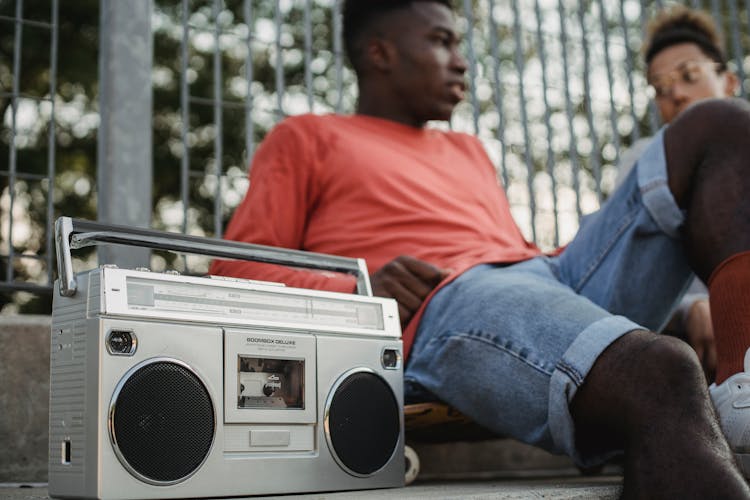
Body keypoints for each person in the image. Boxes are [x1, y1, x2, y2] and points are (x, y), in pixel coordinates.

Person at [209, 1, 750, 496]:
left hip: (535, 277)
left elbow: (513, 257)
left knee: (719, 124)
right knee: (660, 373)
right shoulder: (307, 137)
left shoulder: (468, 150)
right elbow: (235, 271)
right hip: (440, 303)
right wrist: (360, 290)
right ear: (381, 53)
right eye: (443, 42)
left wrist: (679, 303)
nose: (462, 62)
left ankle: (743, 385)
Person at [614, 6, 740, 383]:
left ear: (729, 81)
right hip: (691, 345)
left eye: (690, 75)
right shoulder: (643, 161)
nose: (678, 94)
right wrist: (689, 307)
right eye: (661, 87)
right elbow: (624, 273)